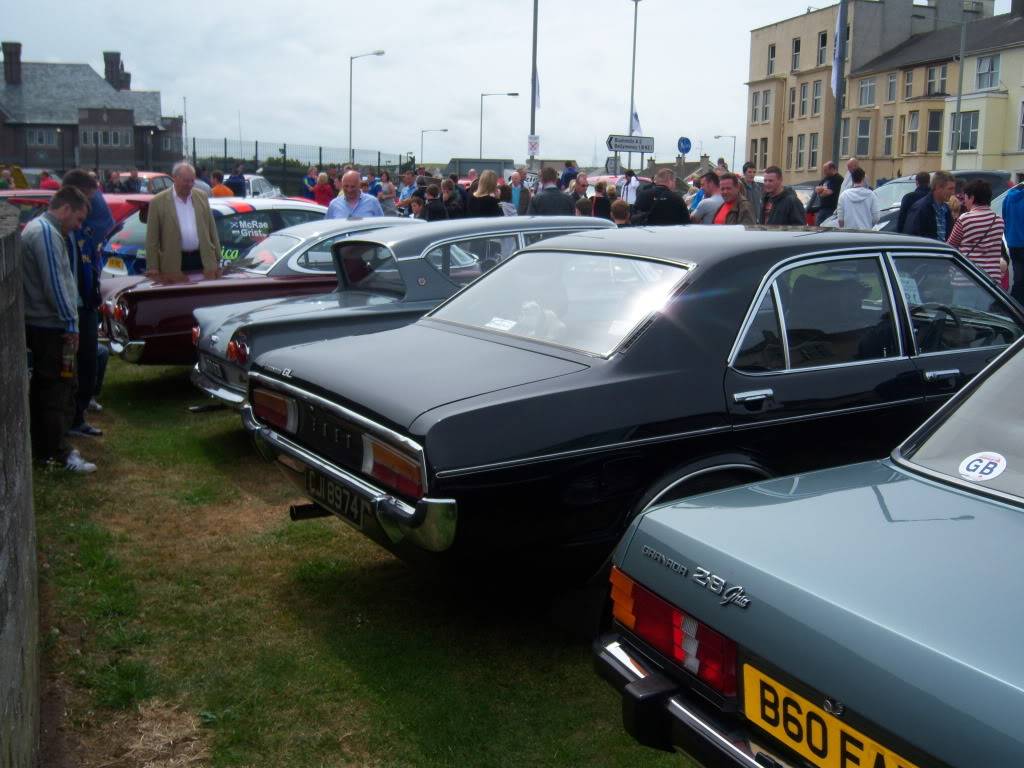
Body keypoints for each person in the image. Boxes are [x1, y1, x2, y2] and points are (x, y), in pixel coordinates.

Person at [21, 185, 96, 472]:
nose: (77, 226)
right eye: (77, 219)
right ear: (65, 209)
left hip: (45, 324)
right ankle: (58, 452)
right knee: (57, 389)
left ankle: (47, 448)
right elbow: (55, 282)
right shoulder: (45, 234)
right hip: (51, 327)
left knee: (50, 389)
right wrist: (70, 323)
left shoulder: (40, 230)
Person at [62, 169, 114, 439]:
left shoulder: (80, 231)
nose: (92, 206)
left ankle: (79, 414)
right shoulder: (63, 233)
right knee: (78, 364)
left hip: (86, 302)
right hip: (75, 308)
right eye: (89, 199)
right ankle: (73, 418)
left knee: (90, 361)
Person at [144, 162, 222, 280]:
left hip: (202, 260)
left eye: (192, 181)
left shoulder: (202, 197)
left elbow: (212, 229)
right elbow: (152, 240)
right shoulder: (157, 202)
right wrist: (153, 267)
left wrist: (218, 257)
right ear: (174, 178)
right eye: (186, 180)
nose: (189, 184)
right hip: (174, 263)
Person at [947, 179, 1004, 288]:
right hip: (991, 282)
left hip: (967, 277)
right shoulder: (999, 221)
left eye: (966, 197)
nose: (964, 202)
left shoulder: (965, 219)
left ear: (972, 198)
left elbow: (951, 246)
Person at [904, 171, 955, 241]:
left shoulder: (946, 209)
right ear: (938, 187)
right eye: (950, 189)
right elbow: (913, 236)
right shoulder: (921, 208)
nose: (953, 192)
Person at [1003, 180, 1024, 303]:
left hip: (1013, 243)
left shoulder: (1008, 197)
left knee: (1018, 277)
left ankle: (1015, 306)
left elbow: (1004, 218)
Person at [814, 161, 843, 225]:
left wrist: (822, 190)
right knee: (817, 227)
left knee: (827, 227)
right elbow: (817, 189)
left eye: (825, 170)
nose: (824, 172)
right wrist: (823, 190)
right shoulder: (826, 178)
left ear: (832, 169)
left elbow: (827, 193)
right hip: (822, 209)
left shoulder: (838, 179)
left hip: (831, 210)